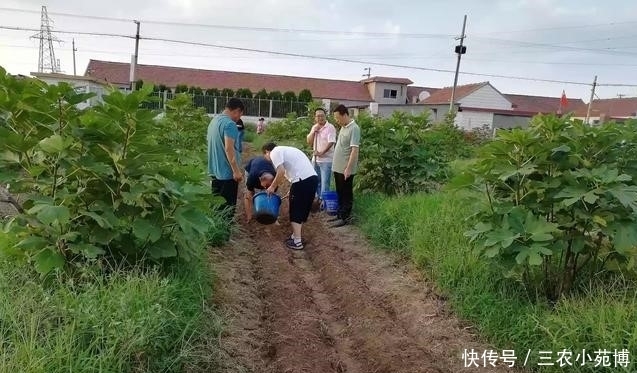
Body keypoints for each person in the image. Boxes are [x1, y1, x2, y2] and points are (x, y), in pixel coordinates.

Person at [262, 142, 318, 250]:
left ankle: (297, 242)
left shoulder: (274, 152)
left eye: (265, 156)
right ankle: (295, 236)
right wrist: (293, 190)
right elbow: (296, 171)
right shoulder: (286, 149)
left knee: (296, 210)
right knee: (301, 209)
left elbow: (281, 171)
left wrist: (272, 187)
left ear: (267, 152)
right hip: (311, 179)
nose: (268, 160)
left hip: (302, 181)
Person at [207, 97, 245, 221]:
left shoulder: (214, 121)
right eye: (240, 115)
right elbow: (229, 149)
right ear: (237, 111)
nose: (239, 118)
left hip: (215, 171)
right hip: (227, 174)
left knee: (216, 205)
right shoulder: (230, 124)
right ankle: (223, 235)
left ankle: (215, 231)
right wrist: (236, 171)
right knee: (227, 208)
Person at [329, 104, 360, 228]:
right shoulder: (343, 127)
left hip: (346, 169)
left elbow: (354, 150)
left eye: (337, 118)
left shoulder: (354, 128)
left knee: (346, 193)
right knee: (339, 192)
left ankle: (345, 217)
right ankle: (339, 214)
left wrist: (348, 168)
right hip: (337, 167)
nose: (336, 121)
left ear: (345, 115)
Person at [306, 108, 336, 203]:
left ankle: (324, 202)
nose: (320, 118)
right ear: (315, 117)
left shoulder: (330, 127)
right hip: (315, 160)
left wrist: (321, 152)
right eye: (318, 116)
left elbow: (331, 142)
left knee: (325, 183)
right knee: (316, 181)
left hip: (326, 160)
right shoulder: (314, 127)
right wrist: (313, 132)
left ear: (325, 116)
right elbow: (309, 142)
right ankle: (318, 200)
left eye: (322, 115)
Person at [243, 155, 276, 223]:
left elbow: (272, 195)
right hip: (250, 169)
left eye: (269, 186)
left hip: (264, 168)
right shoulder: (252, 177)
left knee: (270, 193)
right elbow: (248, 195)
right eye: (266, 185)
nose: (265, 188)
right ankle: (249, 216)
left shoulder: (275, 177)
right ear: (260, 179)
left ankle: (267, 210)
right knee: (249, 193)